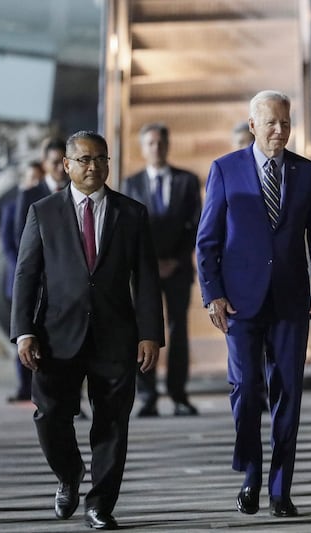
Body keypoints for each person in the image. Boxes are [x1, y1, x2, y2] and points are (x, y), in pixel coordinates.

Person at [10, 130, 164, 530]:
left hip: (116, 335)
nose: (93, 167)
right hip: (55, 336)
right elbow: (26, 275)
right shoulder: (43, 212)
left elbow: (146, 278)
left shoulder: (131, 214)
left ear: (108, 164)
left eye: (100, 159)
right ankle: (69, 474)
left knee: (112, 421)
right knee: (49, 416)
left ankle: (100, 505)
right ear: (66, 165)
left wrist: (151, 333)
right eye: (84, 160)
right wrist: (23, 331)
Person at [196, 90, 311, 518]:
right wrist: (212, 293)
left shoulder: (306, 173)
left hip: (291, 301)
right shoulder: (225, 170)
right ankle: (250, 474)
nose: (280, 130)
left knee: (288, 394)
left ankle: (280, 489)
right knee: (245, 390)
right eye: (271, 123)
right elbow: (207, 241)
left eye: (286, 123)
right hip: (239, 303)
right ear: (253, 125)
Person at [123, 123, 202, 417]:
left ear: (168, 146)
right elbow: (129, 228)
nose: (156, 147)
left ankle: (179, 394)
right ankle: (147, 396)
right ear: (143, 148)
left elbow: (196, 224)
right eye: (150, 143)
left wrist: (175, 259)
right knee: (144, 331)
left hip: (178, 268)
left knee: (178, 330)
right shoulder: (130, 184)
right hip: (144, 272)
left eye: (160, 142)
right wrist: (152, 262)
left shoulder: (187, 181)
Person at [0, 160, 44, 403]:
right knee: (20, 333)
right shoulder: (10, 208)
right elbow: (8, 244)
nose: (34, 183)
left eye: (38, 179)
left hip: (41, 283)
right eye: (31, 178)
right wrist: (23, 268)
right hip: (17, 281)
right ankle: (22, 385)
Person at [14, 137, 70, 242]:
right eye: (55, 162)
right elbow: (22, 236)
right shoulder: (29, 195)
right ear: (44, 164)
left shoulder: (75, 191)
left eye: (64, 162)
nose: (61, 168)